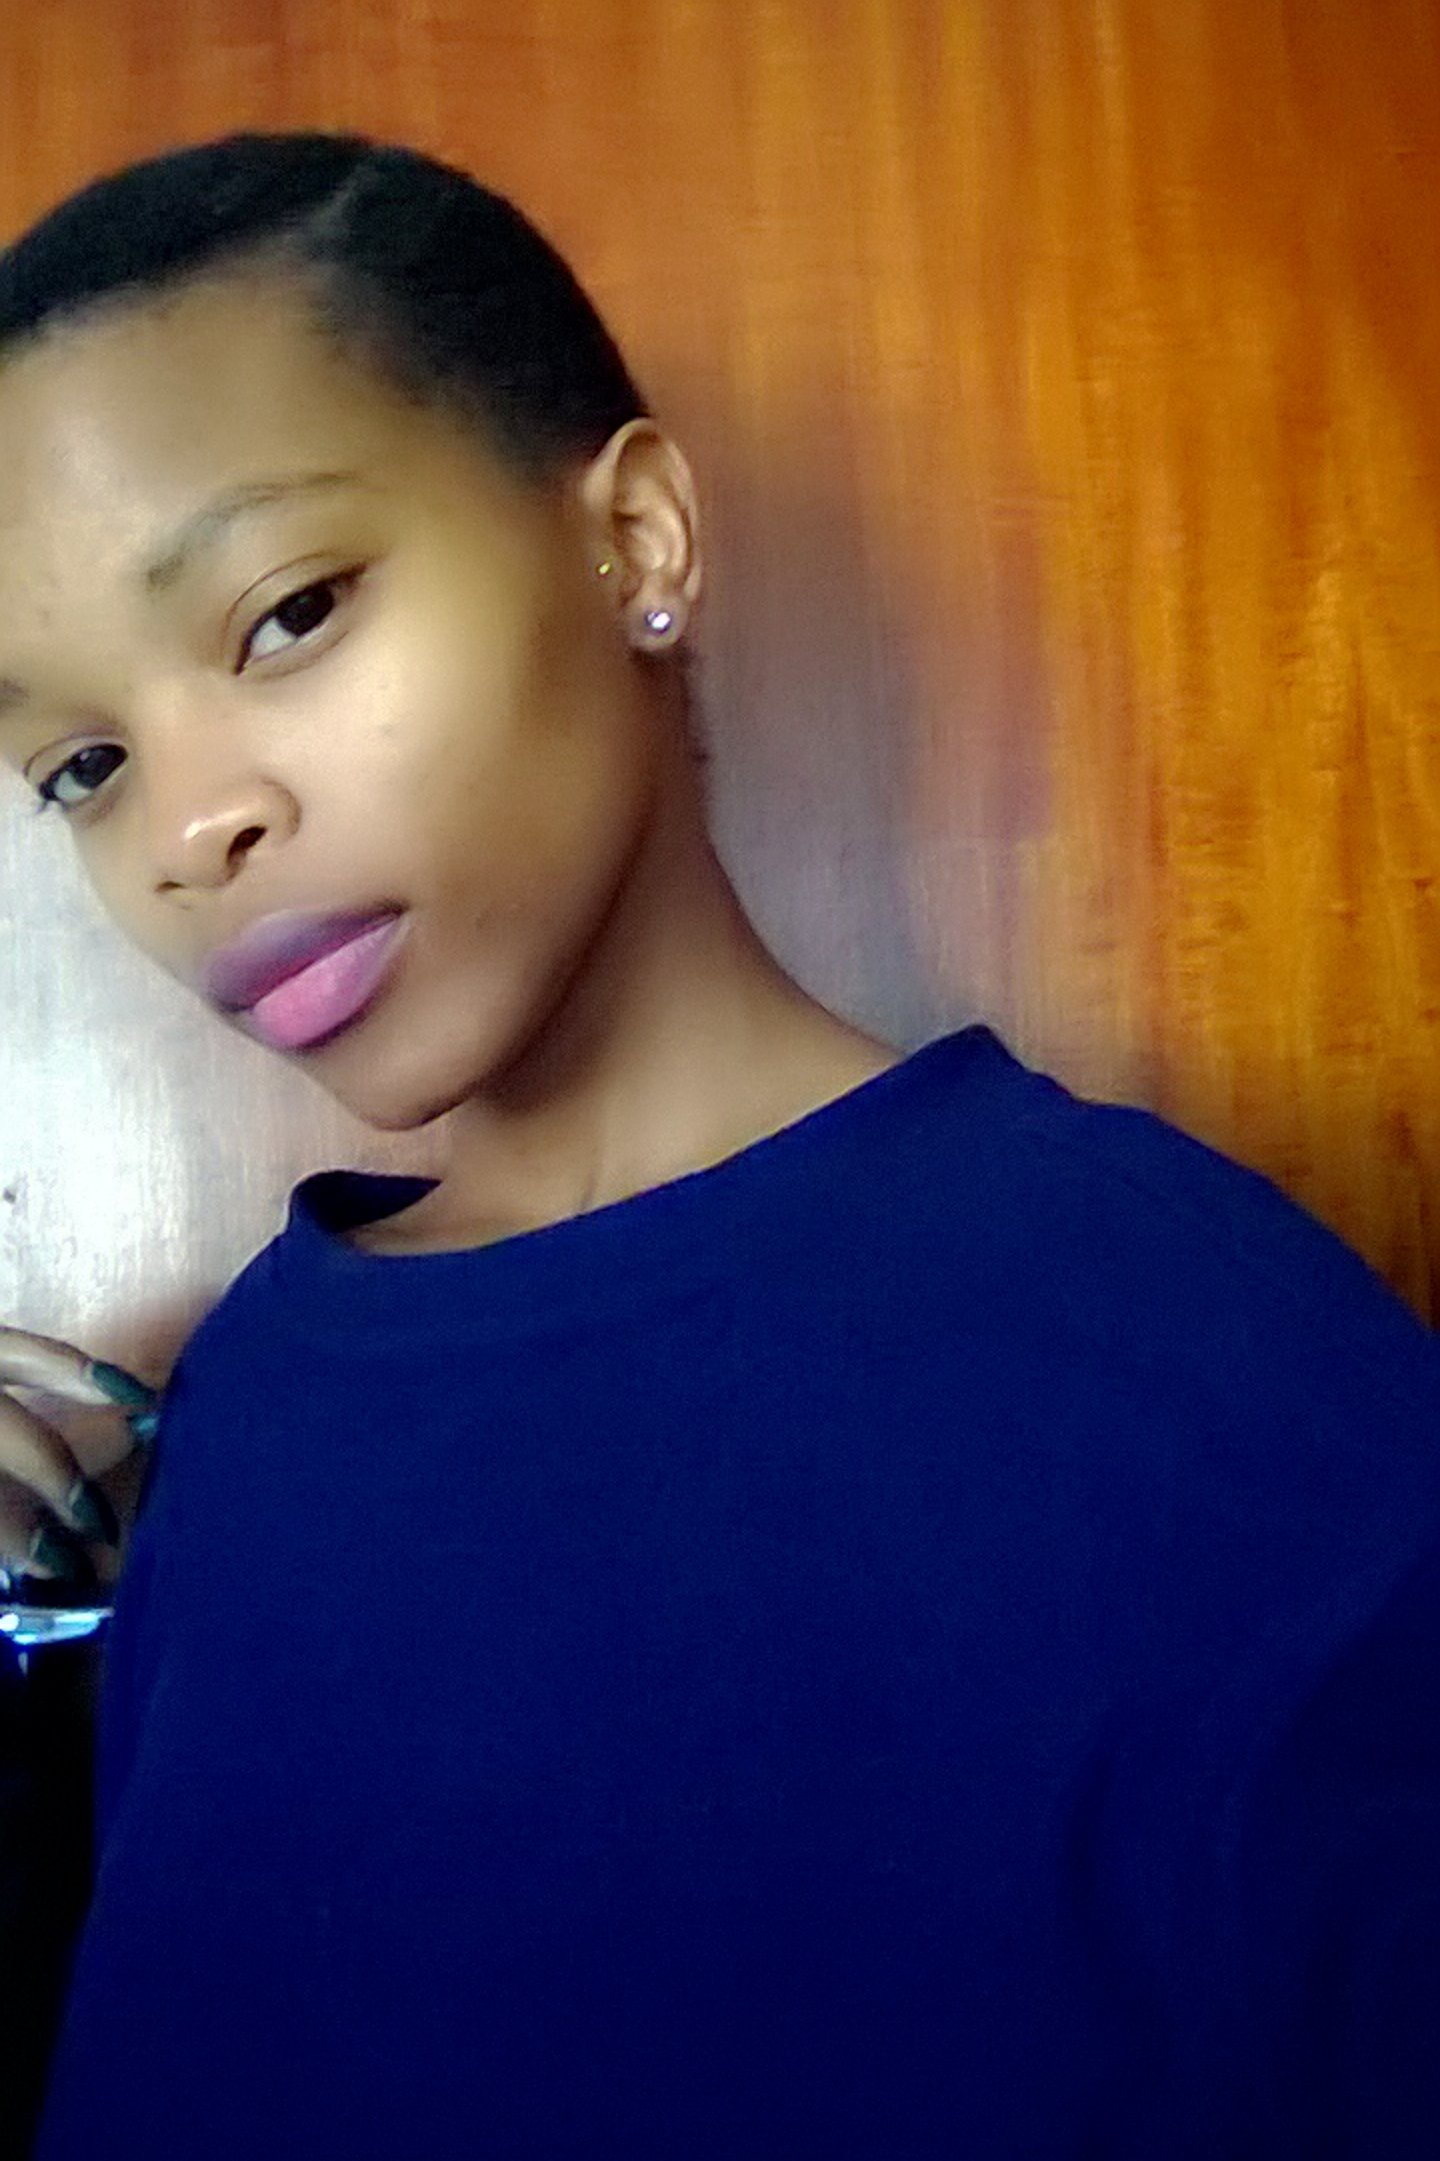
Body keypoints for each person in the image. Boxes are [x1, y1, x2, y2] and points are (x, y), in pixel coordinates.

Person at [0, 133, 1436, 2159]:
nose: (183, 829)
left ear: (637, 540)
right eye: (82, 762)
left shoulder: (1224, 1379)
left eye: (288, 614)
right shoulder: (243, 1406)